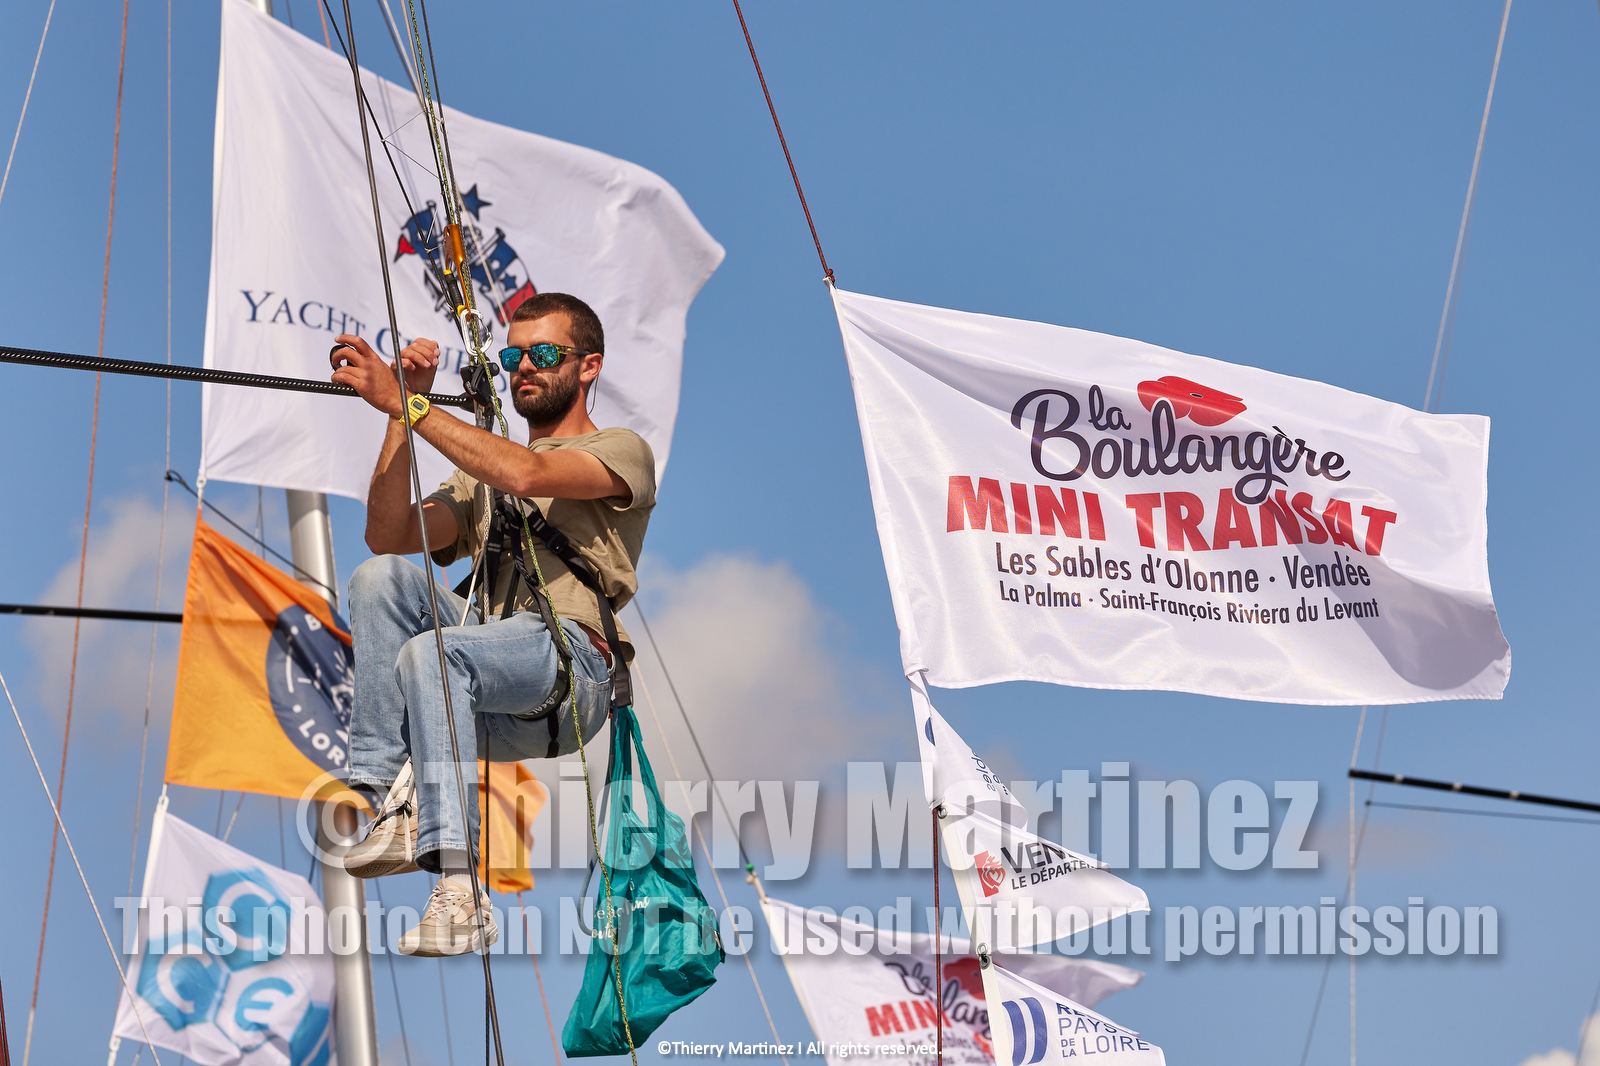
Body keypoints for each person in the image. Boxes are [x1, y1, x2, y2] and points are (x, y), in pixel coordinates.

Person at [328, 292, 655, 957]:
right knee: (378, 581)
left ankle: (457, 888)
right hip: (488, 679)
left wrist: (410, 406)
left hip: (571, 667)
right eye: (514, 355)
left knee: (433, 655)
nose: (524, 367)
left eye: (543, 354)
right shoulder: (481, 480)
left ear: (587, 366)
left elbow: (529, 472)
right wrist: (399, 417)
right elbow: (390, 535)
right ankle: (391, 797)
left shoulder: (621, 450)